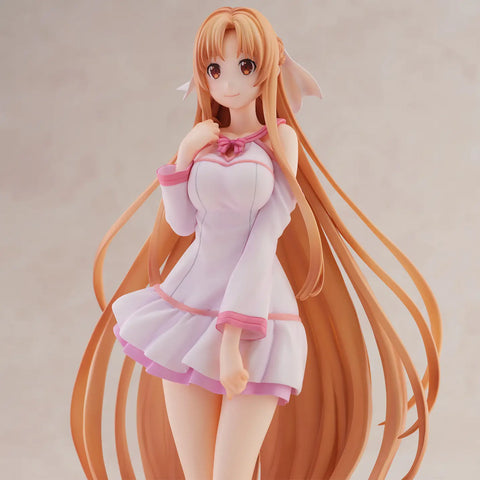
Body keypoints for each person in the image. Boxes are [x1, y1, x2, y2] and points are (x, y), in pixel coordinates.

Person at [70, 7, 442, 480]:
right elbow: (182, 225)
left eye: (244, 66)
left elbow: (266, 235)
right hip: (186, 306)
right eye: (214, 69)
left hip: (255, 313)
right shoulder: (203, 139)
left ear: (267, 68)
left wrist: (231, 339)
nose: (228, 82)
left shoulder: (280, 138)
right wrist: (183, 157)